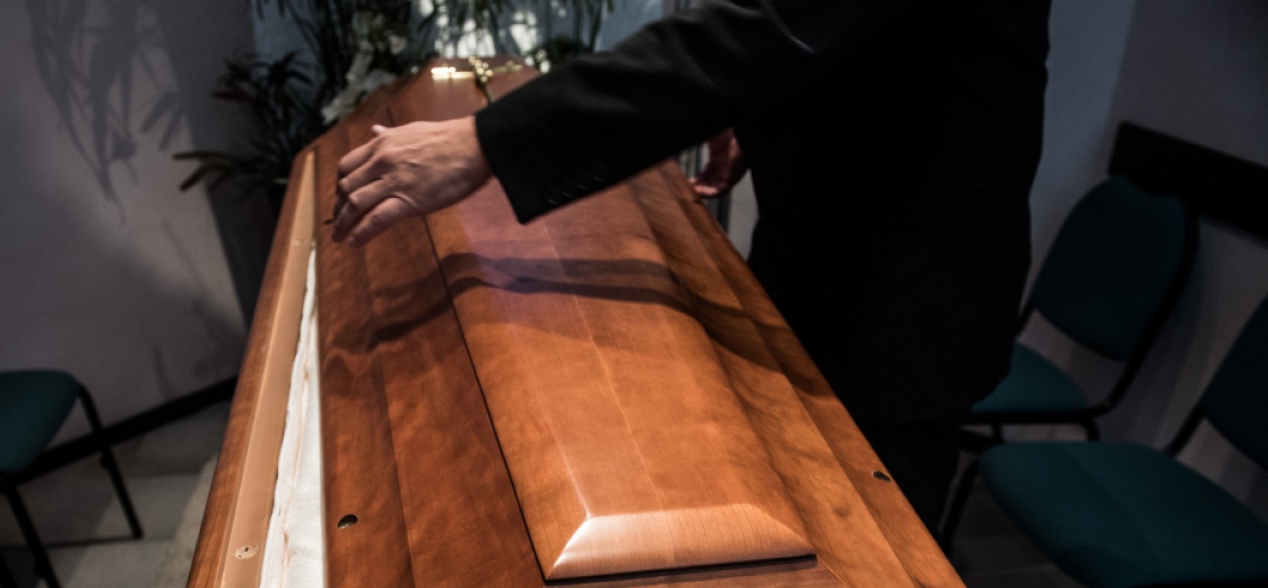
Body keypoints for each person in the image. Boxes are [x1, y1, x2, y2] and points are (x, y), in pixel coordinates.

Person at [331, 0, 1051, 527]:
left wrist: (484, 143)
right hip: (829, 255)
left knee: (881, 557)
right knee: (801, 502)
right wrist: (759, 114)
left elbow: (757, 33)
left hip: (905, 300)